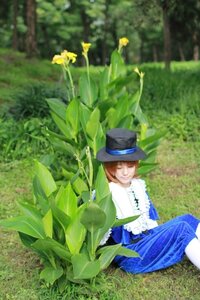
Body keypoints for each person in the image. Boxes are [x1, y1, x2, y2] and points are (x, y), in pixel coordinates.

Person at [96, 128, 200, 274]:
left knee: (188, 219)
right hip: (131, 255)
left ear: (136, 164)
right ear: (110, 168)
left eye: (130, 166)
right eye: (119, 167)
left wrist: (161, 237)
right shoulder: (107, 192)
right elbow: (99, 234)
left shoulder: (137, 186)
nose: (125, 172)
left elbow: (150, 220)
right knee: (181, 229)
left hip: (146, 239)